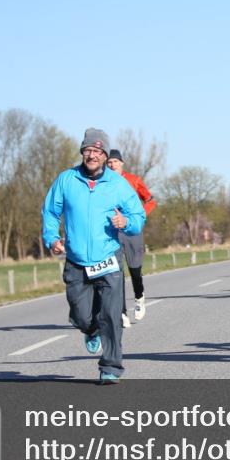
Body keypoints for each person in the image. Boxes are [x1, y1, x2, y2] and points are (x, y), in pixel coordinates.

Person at [42, 129, 146, 383]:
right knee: (81, 315)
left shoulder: (118, 183)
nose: (92, 155)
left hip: (108, 257)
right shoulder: (67, 180)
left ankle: (111, 366)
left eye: (98, 152)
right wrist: (52, 238)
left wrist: (126, 222)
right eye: (88, 150)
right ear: (82, 153)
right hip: (76, 260)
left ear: (105, 155)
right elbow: (50, 212)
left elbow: (138, 216)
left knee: (111, 314)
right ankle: (90, 330)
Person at [107, 149, 157, 326]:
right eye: (109, 162)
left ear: (122, 163)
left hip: (132, 230)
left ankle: (139, 297)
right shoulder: (103, 183)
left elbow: (151, 200)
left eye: (115, 162)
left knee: (135, 270)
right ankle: (121, 313)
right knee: (116, 273)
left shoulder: (134, 180)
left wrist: (138, 216)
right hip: (113, 232)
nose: (112, 165)